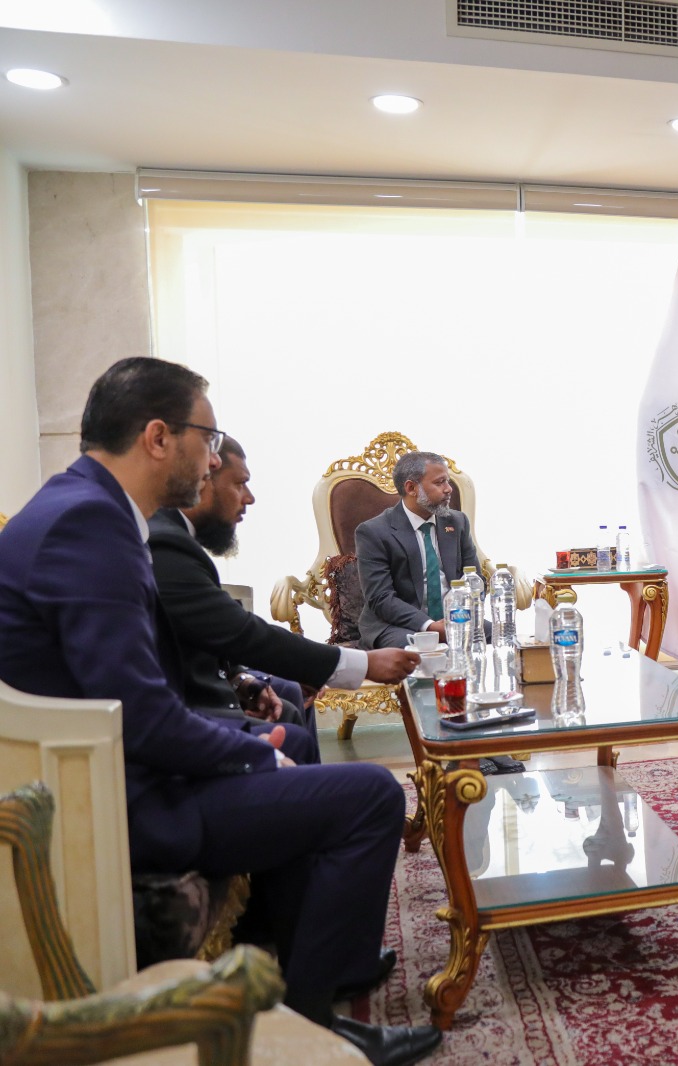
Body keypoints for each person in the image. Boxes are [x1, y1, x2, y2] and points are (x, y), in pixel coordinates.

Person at [0, 357, 440, 1066]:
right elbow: (143, 716)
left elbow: (136, 688)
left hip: (103, 775)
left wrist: (244, 725)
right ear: (157, 437)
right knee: (372, 796)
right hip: (113, 803)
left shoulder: (80, 505)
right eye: (208, 438)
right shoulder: (90, 524)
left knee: (302, 760)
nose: (212, 459)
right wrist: (253, 752)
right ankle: (312, 1028)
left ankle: (299, 984)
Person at [148, 435, 419, 762]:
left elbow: (213, 628)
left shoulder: (171, 535)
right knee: (377, 783)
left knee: (290, 692)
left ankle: (304, 783)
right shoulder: (164, 543)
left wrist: (242, 678)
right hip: (189, 720)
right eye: (240, 483)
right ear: (203, 477)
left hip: (209, 686)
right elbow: (237, 631)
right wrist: (364, 664)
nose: (250, 498)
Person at [355, 449, 520, 774]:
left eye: (448, 482)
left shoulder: (455, 522)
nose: (448, 490)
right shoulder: (373, 531)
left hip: (454, 618)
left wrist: (463, 615)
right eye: (440, 483)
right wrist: (432, 625)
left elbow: (474, 579)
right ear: (411, 487)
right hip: (397, 624)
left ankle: (491, 739)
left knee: (499, 639)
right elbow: (380, 599)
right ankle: (451, 750)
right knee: (423, 652)